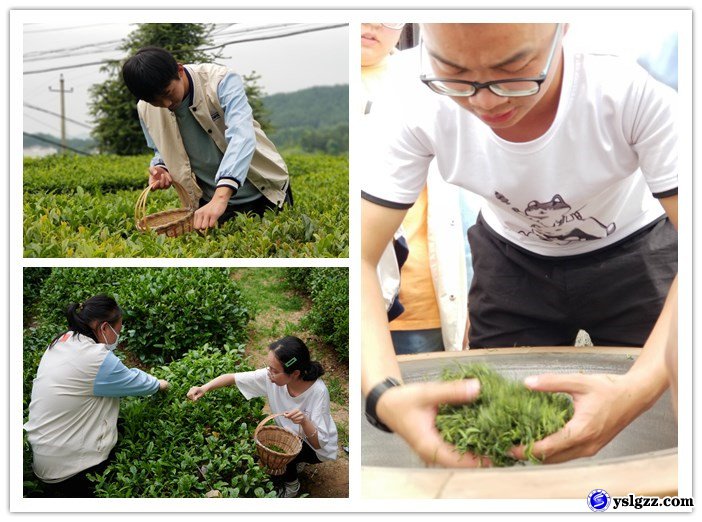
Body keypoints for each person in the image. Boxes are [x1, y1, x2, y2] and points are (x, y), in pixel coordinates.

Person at [361, 23, 678, 466]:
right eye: (453, 72)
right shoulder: (411, 98)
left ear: (562, 27)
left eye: (514, 70)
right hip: (512, 259)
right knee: (495, 412)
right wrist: (382, 396)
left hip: (636, 249)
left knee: (668, 405)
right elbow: (360, 256)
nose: (485, 101)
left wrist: (639, 388)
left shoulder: (626, 90)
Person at [362, 23, 479, 353]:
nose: (372, 23)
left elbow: (470, 205)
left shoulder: (426, 77)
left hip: (420, 303)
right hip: (356, 297)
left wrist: (475, 298)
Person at [122, 46, 292, 230]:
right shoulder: (144, 108)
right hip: (210, 205)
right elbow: (160, 148)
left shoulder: (221, 80)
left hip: (264, 193)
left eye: (167, 93)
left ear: (179, 70)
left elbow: (242, 136)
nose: (166, 104)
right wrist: (161, 167)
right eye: (154, 101)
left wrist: (221, 197)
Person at [24, 295, 169, 497]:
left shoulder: (62, 341)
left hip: (46, 458)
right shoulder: (96, 358)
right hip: (72, 471)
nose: (118, 337)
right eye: (117, 331)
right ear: (103, 328)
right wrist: (161, 384)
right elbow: (138, 383)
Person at [187, 336, 338, 498]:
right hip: (289, 434)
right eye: (269, 367)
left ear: (295, 373)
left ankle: (292, 485)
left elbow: (319, 443)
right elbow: (233, 378)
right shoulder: (272, 378)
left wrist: (304, 421)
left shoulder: (318, 392)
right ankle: (294, 463)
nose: (269, 373)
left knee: (280, 458)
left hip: (315, 447)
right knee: (269, 449)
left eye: (274, 370)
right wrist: (204, 388)